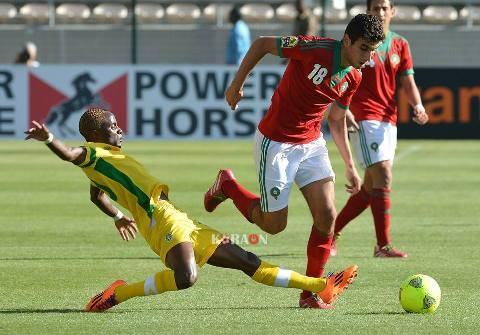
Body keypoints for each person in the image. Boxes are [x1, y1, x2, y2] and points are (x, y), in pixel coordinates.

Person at [24, 107, 358, 312]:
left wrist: (117, 215)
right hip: (160, 219)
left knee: (246, 261)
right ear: (96, 135)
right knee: (187, 278)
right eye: (113, 127)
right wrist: (50, 137)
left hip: (177, 216)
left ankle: (319, 286)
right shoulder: (92, 153)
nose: (119, 130)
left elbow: (97, 196)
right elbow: (70, 155)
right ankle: (117, 294)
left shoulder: (100, 165)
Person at [204, 14, 384, 309]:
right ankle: (228, 185)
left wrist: (350, 165)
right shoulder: (314, 49)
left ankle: (310, 292)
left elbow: (337, 119)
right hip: (276, 144)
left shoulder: (354, 76)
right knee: (274, 226)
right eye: (364, 48)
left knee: (327, 216)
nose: (368, 57)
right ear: (347, 40)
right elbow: (262, 44)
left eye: (374, 51)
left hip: (312, 144)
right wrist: (236, 84)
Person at [332, 0, 429, 259]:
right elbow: (341, 73)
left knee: (369, 188)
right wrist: (345, 109)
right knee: (384, 175)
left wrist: (417, 105)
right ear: (369, 12)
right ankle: (382, 245)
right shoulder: (358, 44)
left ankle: (331, 232)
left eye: (385, 8)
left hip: (388, 120)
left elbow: (408, 81)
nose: (381, 12)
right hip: (364, 118)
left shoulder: (400, 44)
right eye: (376, 8)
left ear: (393, 12)